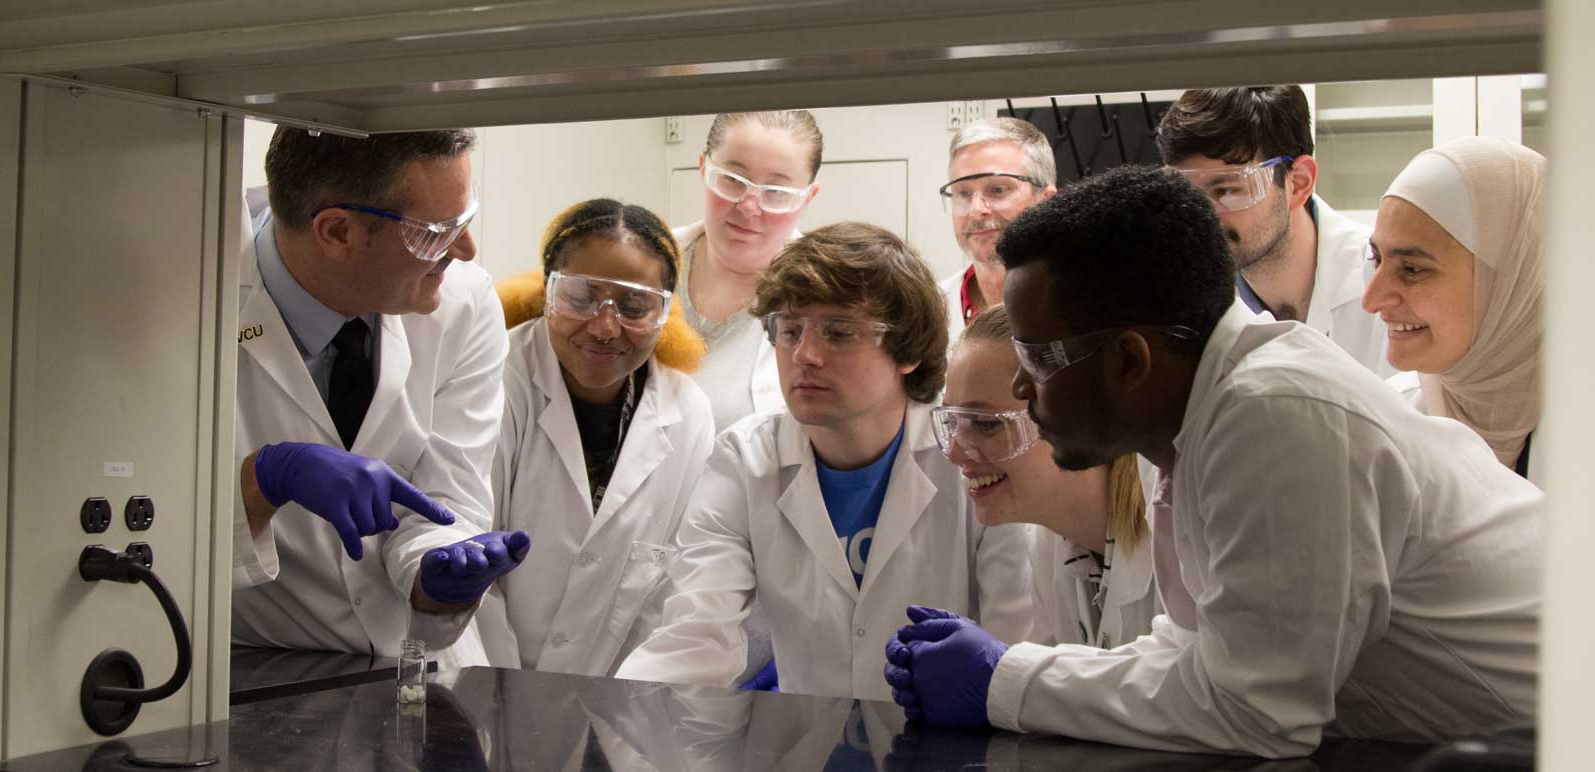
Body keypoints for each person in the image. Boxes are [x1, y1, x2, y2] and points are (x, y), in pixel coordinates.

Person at [884, 165, 1541, 757]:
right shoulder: (1207, 418)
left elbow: (1255, 711)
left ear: (1129, 361)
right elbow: (1200, 651)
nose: (1024, 391)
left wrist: (1003, 681)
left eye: (1041, 361)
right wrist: (1009, 667)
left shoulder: (1275, 416)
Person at [616, 222, 1035, 700]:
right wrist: (620, 723)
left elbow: (1016, 639)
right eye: (789, 330)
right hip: (804, 748)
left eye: (839, 332)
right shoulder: (745, 459)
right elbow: (697, 632)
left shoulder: (971, 456)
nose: (805, 355)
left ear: (908, 350)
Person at [232, 127, 530, 662]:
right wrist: (258, 486)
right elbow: (155, 533)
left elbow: (447, 498)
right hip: (265, 668)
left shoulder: (465, 302)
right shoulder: (194, 298)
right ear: (337, 232)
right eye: (437, 231)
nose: (465, 250)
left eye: (464, 220)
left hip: (419, 667)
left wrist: (439, 573)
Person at [475, 199, 716, 676]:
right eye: (581, 298)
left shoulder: (687, 413)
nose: (606, 327)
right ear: (547, 292)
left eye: (634, 307)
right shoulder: (496, 380)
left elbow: (675, 592)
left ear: (665, 313)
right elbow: (473, 568)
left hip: (618, 704)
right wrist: (500, 701)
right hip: (486, 685)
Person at [938, 305, 1157, 649]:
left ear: (1078, 414)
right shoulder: (1047, 547)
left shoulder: (1170, 531)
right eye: (952, 423)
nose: (955, 453)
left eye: (986, 424)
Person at [1158, 86, 1393, 376]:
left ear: (1299, 183)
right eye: (1188, 193)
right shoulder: (1187, 304)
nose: (1204, 217)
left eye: (1228, 191)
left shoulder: (1386, 286)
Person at [1363, 137, 1544, 476]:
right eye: (1377, 258)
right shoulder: (1386, 424)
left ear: (1513, 277)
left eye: (1413, 269)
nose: (1372, 300)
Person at [673, 110, 823, 432]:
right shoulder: (648, 261)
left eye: (776, 192)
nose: (749, 206)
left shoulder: (826, 295)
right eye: (732, 180)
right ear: (703, 168)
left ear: (808, 197)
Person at [936, 118, 1058, 340]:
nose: (976, 209)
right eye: (963, 193)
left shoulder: (1089, 302)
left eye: (997, 189)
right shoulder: (929, 309)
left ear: (1045, 200)